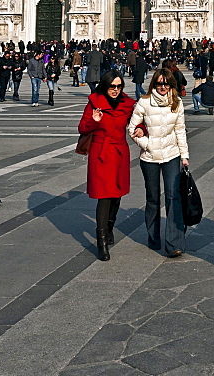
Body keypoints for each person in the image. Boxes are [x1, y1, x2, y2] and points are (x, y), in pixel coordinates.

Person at [128, 67, 189, 258]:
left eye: (166, 83)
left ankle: (174, 243)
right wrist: (146, 144)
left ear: (171, 85)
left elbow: (180, 130)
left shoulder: (177, 103)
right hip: (149, 157)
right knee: (153, 198)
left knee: (173, 196)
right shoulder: (144, 102)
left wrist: (184, 156)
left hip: (171, 155)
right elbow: (131, 128)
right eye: (159, 83)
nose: (163, 87)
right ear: (154, 84)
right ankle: (153, 236)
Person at [77, 69, 136, 261]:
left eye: (119, 86)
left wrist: (141, 130)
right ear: (105, 85)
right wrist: (94, 122)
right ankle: (101, 241)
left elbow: (136, 122)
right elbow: (82, 128)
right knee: (104, 196)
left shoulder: (127, 104)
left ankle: (110, 227)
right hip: (100, 153)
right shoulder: (95, 103)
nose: (116, 90)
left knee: (116, 195)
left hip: (119, 153)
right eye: (112, 86)